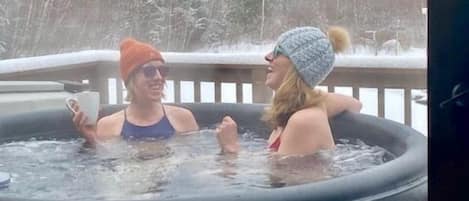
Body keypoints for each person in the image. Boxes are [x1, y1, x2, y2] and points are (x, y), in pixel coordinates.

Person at [216, 26, 362, 155]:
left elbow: (278, 181)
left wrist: (231, 148)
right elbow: (355, 104)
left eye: (278, 51)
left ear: (298, 66)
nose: (268, 57)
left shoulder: (305, 120)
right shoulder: (308, 106)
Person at [71, 37, 199, 147]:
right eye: (149, 71)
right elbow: (107, 168)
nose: (159, 77)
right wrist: (93, 140)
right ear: (131, 79)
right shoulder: (108, 125)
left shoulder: (183, 118)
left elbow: (196, 165)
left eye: (162, 70)